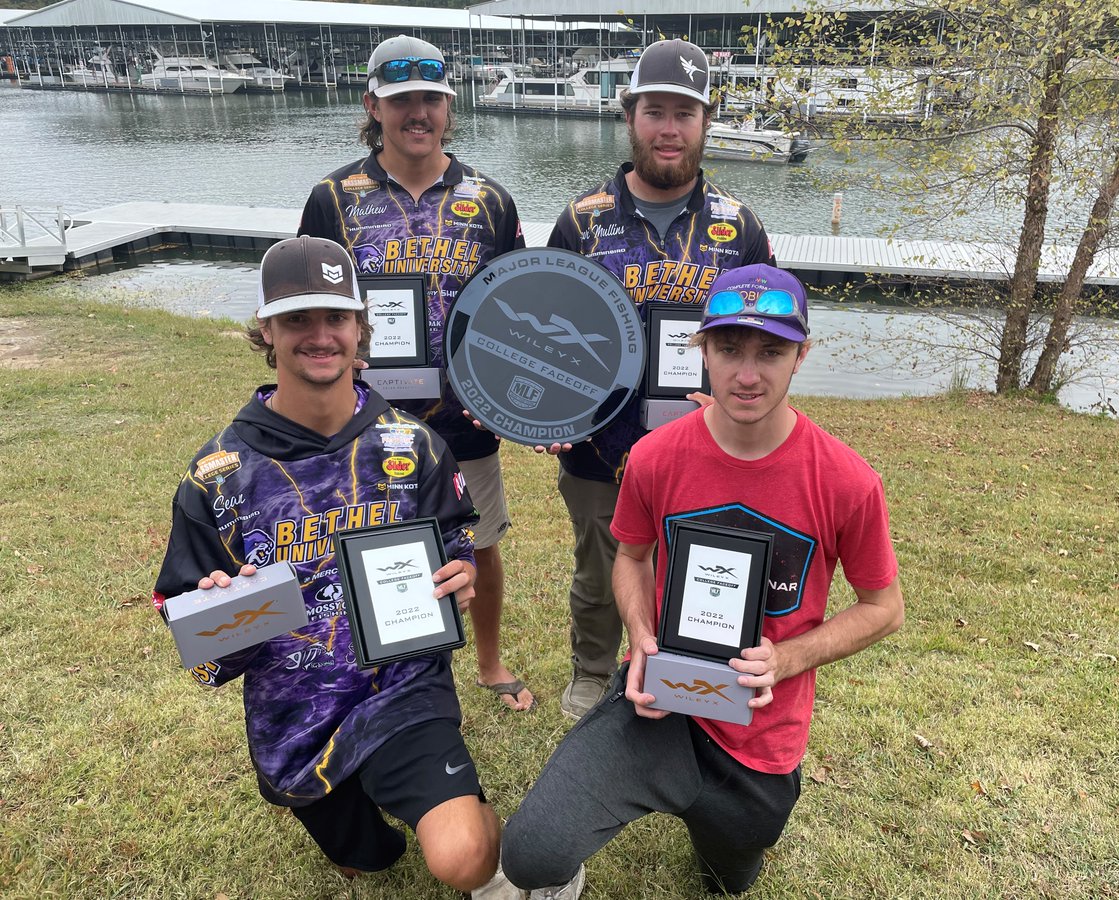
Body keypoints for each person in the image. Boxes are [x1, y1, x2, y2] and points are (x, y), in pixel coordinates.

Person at [501, 264, 905, 897]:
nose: (748, 374)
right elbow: (631, 558)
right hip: (659, 705)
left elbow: (883, 607)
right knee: (530, 856)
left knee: (726, 881)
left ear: (800, 355)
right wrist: (639, 636)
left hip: (760, 740)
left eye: (771, 351)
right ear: (703, 352)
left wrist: (787, 658)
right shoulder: (658, 455)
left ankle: (725, 837)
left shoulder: (846, 481)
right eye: (729, 349)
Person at [152, 236, 505, 894]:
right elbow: (201, 653)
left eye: (336, 318)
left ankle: (469, 818)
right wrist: (222, 614)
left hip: (404, 691)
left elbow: (454, 539)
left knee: (465, 858)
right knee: (367, 863)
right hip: (296, 718)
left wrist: (461, 572)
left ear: (360, 327)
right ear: (266, 330)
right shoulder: (216, 477)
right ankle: (351, 821)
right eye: (297, 320)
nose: (320, 336)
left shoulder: (414, 445)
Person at [298, 34, 534, 711]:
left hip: (469, 413)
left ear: (449, 108)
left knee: (481, 541)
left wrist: (513, 395)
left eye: (432, 99)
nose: (418, 113)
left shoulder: (491, 199)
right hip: (364, 412)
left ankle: (488, 664)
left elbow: (514, 305)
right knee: (370, 542)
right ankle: (384, 672)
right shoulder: (331, 198)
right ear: (374, 105)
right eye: (402, 100)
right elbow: (315, 311)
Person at [547, 38, 777, 719]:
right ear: (630, 117)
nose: (669, 128)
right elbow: (548, 325)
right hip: (598, 447)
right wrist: (551, 412)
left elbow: (766, 341)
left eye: (685, 112)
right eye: (655, 111)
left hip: (706, 445)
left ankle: (687, 672)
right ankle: (592, 670)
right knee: (597, 570)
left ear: (706, 121)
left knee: (697, 566)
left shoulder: (739, 229)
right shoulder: (581, 221)